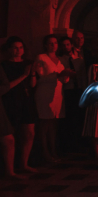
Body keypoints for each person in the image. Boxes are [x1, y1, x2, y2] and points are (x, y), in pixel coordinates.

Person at [0, 37, 38, 175]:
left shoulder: (27, 63)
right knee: (12, 133)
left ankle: (24, 163)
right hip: (10, 101)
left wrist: (32, 73)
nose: (18, 50)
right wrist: (24, 75)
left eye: (21, 47)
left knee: (29, 132)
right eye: (15, 47)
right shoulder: (4, 65)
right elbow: (6, 87)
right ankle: (11, 166)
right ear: (9, 49)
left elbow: (33, 84)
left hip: (26, 99)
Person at [35, 34, 70, 163]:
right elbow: (40, 77)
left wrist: (66, 75)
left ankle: (53, 150)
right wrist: (57, 75)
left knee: (54, 123)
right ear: (45, 45)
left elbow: (63, 79)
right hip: (45, 92)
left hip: (57, 93)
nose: (53, 45)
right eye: (50, 43)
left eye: (55, 43)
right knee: (45, 123)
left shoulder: (60, 59)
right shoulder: (41, 58)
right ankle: (44, 152)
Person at [57, 36, 81, 152]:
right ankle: (69, 145)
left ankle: (79, 143)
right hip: (68, 89)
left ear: (71, 45)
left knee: (78, 116)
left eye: (68, 44)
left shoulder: (78, 58)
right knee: (69, 117)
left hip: (79, 88)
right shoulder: (61, 59)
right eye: (64, 45)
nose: (66, 47)